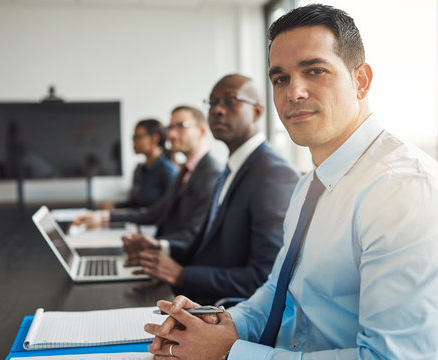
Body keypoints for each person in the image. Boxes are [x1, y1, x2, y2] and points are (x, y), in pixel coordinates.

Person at [145, 4, 438, 360]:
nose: (294, 92)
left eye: (315, 70)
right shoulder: (312, 184)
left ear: (361, 80)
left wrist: (231, 354)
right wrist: (222, 323)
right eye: (280, 78)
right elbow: (278, 292)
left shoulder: (407, 195)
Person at [124, 74, 299, 305]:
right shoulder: (232, 168)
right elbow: (213, 246)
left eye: (229, 101)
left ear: (257, 112)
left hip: (228, 314)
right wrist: (161, 249)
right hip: (197, 299)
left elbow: (265, 277)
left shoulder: (273, 173)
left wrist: (181, 274)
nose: (217, 110)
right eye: (213, 102)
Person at [75, 106, 222, 250]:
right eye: (170, 127)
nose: (171, 135)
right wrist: (105, 217)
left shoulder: (211, 173)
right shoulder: (185, 171)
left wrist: (151, 244)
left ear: (202, 131)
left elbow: (194, 234)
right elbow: (156, 212)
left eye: (180, 126)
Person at [100, 118, 178, 211]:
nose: (133, 142)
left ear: (154, 138)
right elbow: (136, 204)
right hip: (139, 222)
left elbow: (166, 210)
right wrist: (114, 207)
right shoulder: (140, 170)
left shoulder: (167, 170)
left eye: (137, 137)